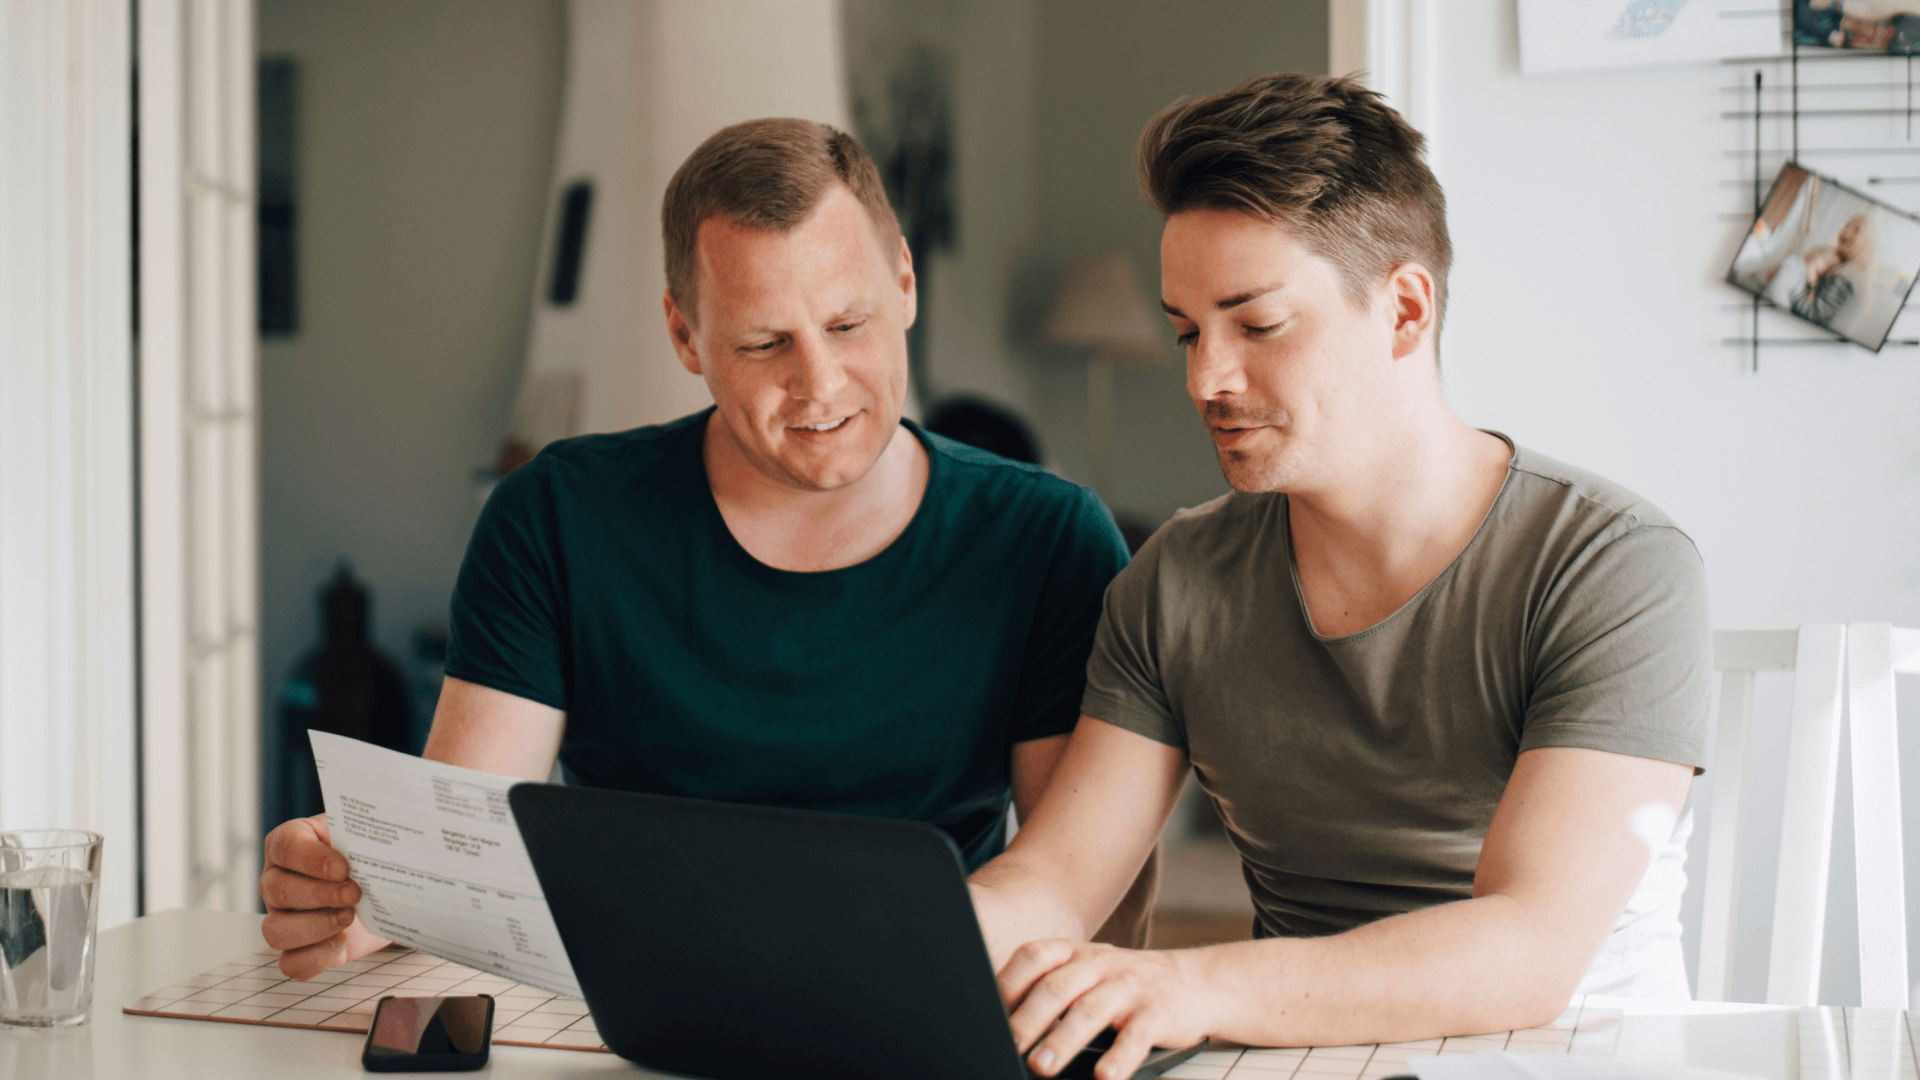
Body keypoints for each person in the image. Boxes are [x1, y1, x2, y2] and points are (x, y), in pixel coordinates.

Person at [259, 118, 1146, 979]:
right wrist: (356, 889)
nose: (821, 386)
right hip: (625, 1003)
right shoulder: (558, 517)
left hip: (920, 988)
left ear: (906, 283)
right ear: (686, 335)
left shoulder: (1048, 540)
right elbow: (461, 849)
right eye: (766, 344)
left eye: (849, 325)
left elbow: (1080, 894)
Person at [970, 73, 1710, 1080]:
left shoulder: (1612, 565)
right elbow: (1059, 880)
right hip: (1298, 1062)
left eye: (1257, 326)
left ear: (1404, 310)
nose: (1205, 380)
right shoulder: (1175, 581)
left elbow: (1528, 951)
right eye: (1188, 330)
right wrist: (900, 946)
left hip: (1575, 1056)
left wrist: (1190, 984)